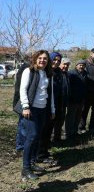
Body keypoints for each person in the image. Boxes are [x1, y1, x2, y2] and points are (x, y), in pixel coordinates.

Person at [19, 50, 54, 180]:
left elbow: (50, 94)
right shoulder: (29, 71)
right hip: (31, 109)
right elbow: (22, 89)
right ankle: (26, 168)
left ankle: (33, 162)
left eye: (45, 59)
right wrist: (25, 106)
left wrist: (52, 109)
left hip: (43, 109)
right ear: (35, 59)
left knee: (38, 136)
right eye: (40, 58)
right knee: (32, 136)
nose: (42, 60)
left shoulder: (47, 73)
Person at [37, 52, 63, 164]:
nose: (56, 62)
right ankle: (39, 155)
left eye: (59, 60)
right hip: (42, 105)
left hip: (54, 106)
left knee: (48, 131)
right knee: (42, 131)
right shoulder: (45, 73)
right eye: (54, 59)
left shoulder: (58, 72)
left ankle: (44, 152)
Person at [79, 48, 94, 132]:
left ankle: (92, 127)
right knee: (84, 110)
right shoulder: (85, 63)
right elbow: (84, 75)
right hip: (87, 91)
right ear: (91, 54)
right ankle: (82, 127)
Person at [65, 60, 88, 139]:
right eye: (80, 65)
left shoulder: (85, 74)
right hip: (73, 99)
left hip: (81, 99)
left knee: (78, 117)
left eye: (83, 65)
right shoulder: (71, 73)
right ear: (76, 65)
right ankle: (68, 133)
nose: (81, 66)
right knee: (70, 117)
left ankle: (75, 131)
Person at [13, 57, 31, 153]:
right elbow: (22, 88)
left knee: (23, 124)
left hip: (23, 101)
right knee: (22, 124)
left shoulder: (26, 67)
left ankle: (22, 145)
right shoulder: (26, 69)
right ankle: (20, 146)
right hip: (21, 101)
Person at [59, 58, 71, 139]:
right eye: (64, 64)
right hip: (57, 101)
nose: (65, 66)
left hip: (64, 101)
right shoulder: (56, 73)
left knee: (61, 119)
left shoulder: (67, 74)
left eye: (67, 65)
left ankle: (58, 136)